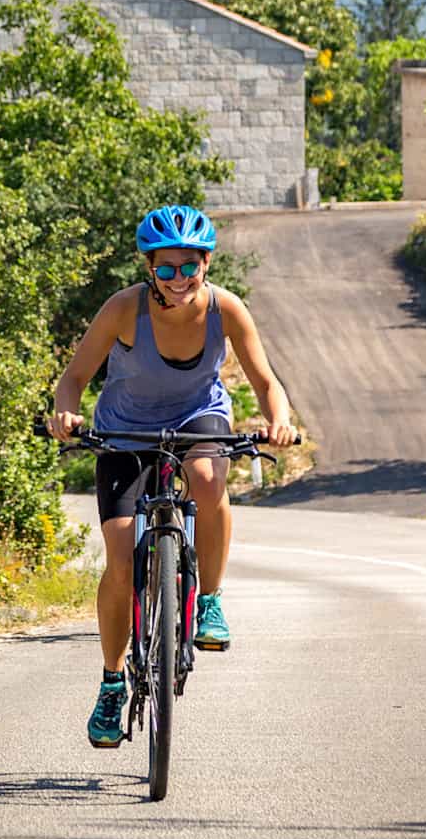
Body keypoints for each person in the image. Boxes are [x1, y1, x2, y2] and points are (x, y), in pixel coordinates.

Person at [47, 204, 297, 749]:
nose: (179, 278)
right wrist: (66, 414)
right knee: (118, 558)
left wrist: (278, 420)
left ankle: (208, 599)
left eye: (190, 266)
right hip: (125, 431)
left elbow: (265, 380)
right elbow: (74, 379)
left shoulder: (226, 310)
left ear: (206, 265)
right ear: (149, 269)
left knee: (207, 480)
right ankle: (113, 683)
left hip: (196, 417)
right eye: (166, 269)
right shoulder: (122, 310)